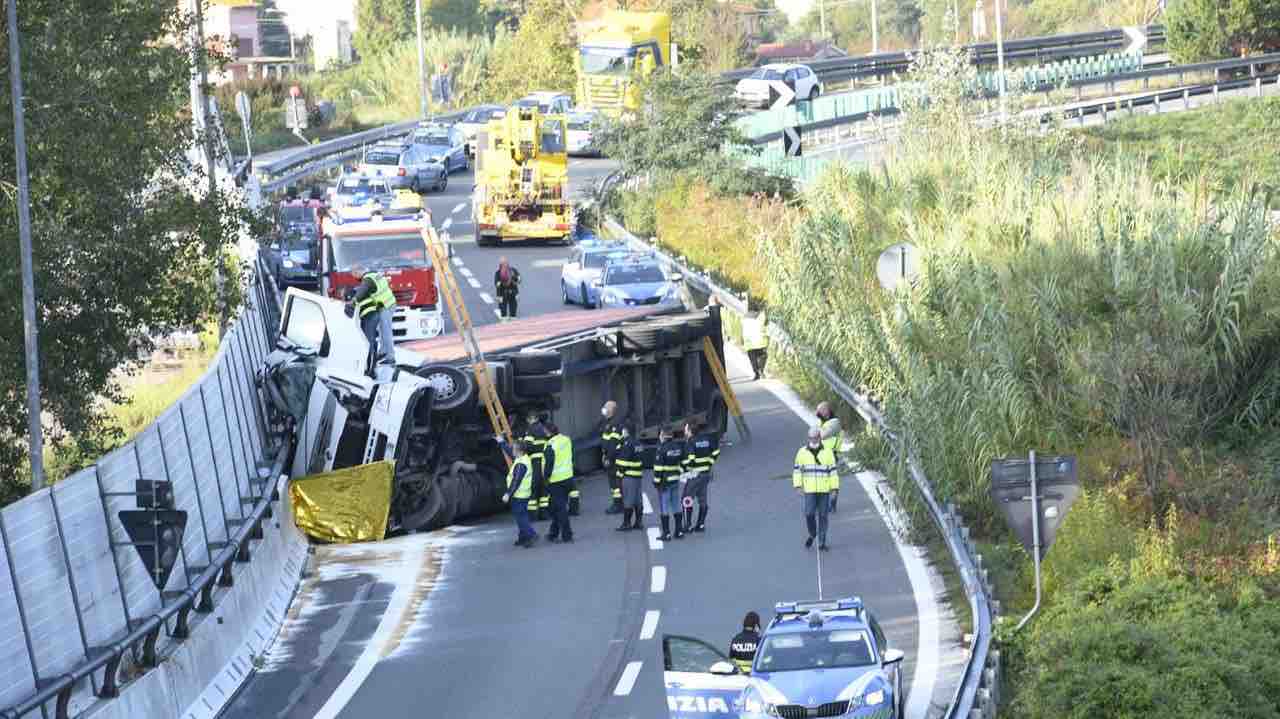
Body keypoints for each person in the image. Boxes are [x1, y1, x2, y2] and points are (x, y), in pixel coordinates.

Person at [794, 426, 838, 551]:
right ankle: (813, 533)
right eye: (811, 438)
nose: (813, 440)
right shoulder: (802, 452)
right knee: (809, 513)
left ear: (819, 437)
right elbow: (797, 471)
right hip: (809, 490)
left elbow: (833, 472)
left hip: (824, 490)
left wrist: (834, 489)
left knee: (823, 515)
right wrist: (798, 486)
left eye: (815, 438)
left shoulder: (828, 452)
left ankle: (822, 543)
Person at [347, 265, 396, 368]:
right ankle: (383, 352)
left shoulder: (368, 280)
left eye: (354, 275)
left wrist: (352, 302)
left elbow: (362, 291)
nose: (355, 278)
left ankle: (390, 357)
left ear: (358, 272)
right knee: (383, 331)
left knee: (386, 331)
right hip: (389, 303)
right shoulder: (374, 274)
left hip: (386, 305)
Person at [681, 421, 720, 534]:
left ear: (690, 431)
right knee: (702, 499)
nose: (684, 431)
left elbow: (691, 459)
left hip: (695, 474)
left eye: (686, 429)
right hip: (706, 474)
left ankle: (688, 525)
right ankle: (701, 524)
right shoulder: (706, 439)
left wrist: (684, 468)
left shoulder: (690, 442)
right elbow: (716, 452)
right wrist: (709, 463)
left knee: (686, 499)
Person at [500, 439, 538, 548]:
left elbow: (516, 481)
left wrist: (508, 494)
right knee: (522, 516)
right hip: (523, 494)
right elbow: (509, 452)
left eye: (513, 449)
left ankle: (530, 535)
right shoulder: (523, 459)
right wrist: (502, 442)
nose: (512, 450)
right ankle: (523, 537)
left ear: (519, 451)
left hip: (519, 495)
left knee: (521, 517)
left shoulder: (521, 464)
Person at [542, 421, 575, 543]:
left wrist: (545, 479)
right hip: (568, 478)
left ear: (548, 432)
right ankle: (553, 533)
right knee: (556, 506)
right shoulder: (566, 439)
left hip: (556, 481)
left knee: (560, 509)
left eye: (544, 431)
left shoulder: (550, 445)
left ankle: (567, 535)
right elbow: (572, 456)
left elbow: (548, 465)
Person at [653, 426, 687, 541]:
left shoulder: (661, 449)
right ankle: (679, 531)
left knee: (664, 507)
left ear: (662, 435)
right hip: (675, 480)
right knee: (676, 504)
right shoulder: (678, 447)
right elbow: (682, 463)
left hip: (664, 482)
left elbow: (658, 468)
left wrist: (656, 482)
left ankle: (666, 533)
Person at [614, 426, 645, 531]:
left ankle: (626, 523)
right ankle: (638, 522)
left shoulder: (627, 444)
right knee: (637, 499)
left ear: (626, 432)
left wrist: (620, 473)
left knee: (628, 500)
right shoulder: (639, 443)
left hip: (628, 476)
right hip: (638, 475)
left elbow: (622, 462)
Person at [521, 412, 550, 521]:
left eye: (528, 419)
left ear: (531, 418)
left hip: (535, 461)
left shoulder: (531, 429)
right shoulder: (543, 428)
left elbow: (527, 446)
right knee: (543, 488)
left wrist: (520, 442)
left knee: (533, 488)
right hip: (544, 461)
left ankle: (532, 515)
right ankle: (544, 514)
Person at [815, 402, 843, 512]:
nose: (818, 413)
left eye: (820, 411)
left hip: (832, 455)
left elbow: (822, 435)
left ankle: (831, 503)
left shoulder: (834, 423)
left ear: (826, 411)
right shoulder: (824, 422)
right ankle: (827, 503)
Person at [600, 401, 624, 514]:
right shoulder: (609, 423)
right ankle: (618, 503)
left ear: (611, 410)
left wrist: (608, 458)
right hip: (610, 457)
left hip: (614, 459)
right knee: (614, 483)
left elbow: (613, 444)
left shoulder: (614, 424)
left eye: (606, 407)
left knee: (615, 483)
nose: (604, 409)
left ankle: (618, 504)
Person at [741, 308, 769, 381]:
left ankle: (756, 373)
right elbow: (766, 324)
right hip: (760, 342)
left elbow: (743, 330)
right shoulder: (762, 316)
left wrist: (743, 342)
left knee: (753, 360)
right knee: (763, 356)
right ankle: (760, 370)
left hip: (749, 343)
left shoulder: (744, 318)